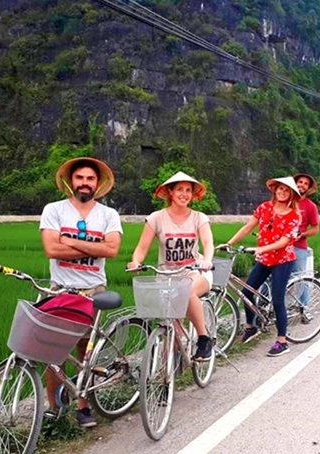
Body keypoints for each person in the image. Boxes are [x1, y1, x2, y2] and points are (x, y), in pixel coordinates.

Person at [39, 157, 123, 428]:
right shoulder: (54, 210)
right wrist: (93, 245)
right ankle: (54, 407)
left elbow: (111, 250)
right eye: (80, 178)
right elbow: (52, 249)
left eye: (90, 179)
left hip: (93, 290)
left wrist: (69, 240)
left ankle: (83, 405)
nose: (85, 183)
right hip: (60, 291)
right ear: (70, 182)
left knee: (84, 351)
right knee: (54, 352)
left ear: (97, 184)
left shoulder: (108, 215)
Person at [127, 171, 214, 361]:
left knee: (187, 291)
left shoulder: (199, 217)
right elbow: (142, 247)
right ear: (170, 193)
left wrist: (206, 260)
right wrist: (136, 262)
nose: (184, 194)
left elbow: (208, 243)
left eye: (188, 190)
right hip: (167, 277)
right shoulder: (156, 218)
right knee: (173, 326)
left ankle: (204, 338)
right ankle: (168, 373)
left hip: (195, 272)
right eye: (180, 190)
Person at [224, 176, 301, 357]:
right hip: (265, 259)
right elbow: (248, 227)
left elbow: (283, 242)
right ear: (274, 190)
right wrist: (229, 242)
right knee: (247, 292)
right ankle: (251, 327)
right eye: (279, 189)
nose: (282, 192)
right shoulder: (264, 208)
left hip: (283, 260)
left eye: (286, 190)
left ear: (292, 195)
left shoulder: (294, 215)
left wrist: (259, 248)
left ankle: (282, 341)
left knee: (277, 300)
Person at [292, 173, 320, 306]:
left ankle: (305, 308)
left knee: (300, 278)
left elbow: (315, 229)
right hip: (279, 246)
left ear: (308, 188)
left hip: (298, 246)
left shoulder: (310, 206)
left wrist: (301, 235)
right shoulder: (285, 200)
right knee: (270, 276)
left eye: (305, 183)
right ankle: (264, 306)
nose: (302, 185)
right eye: (300, 182)